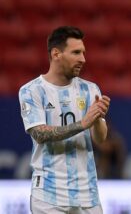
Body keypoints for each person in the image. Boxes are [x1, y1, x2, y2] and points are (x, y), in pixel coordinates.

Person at [18, 26, 110, 214]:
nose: (83, 59)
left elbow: (100, 139)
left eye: (83, 52)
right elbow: (39, 134)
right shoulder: (31, 90)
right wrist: (82, 124)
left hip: (88, 195)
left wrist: (98, 119)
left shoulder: (90, 89)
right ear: (56, 54)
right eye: (76, 52)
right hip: (49, 195)